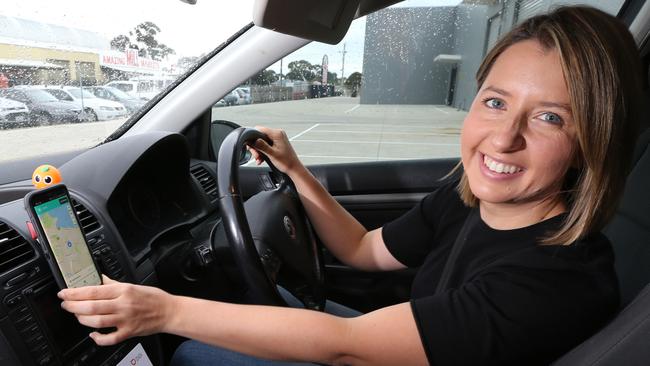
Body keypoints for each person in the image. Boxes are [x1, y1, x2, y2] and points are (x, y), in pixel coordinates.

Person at [58, 6, 644, 366]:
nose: (504, 138)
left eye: (550, 118)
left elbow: (345, 344)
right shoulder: (472, 197)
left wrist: (161, 313)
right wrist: (296, 170)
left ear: (595, 139)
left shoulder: (553, 280)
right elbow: (363, 251)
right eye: (494, 102)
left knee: (190, 349)